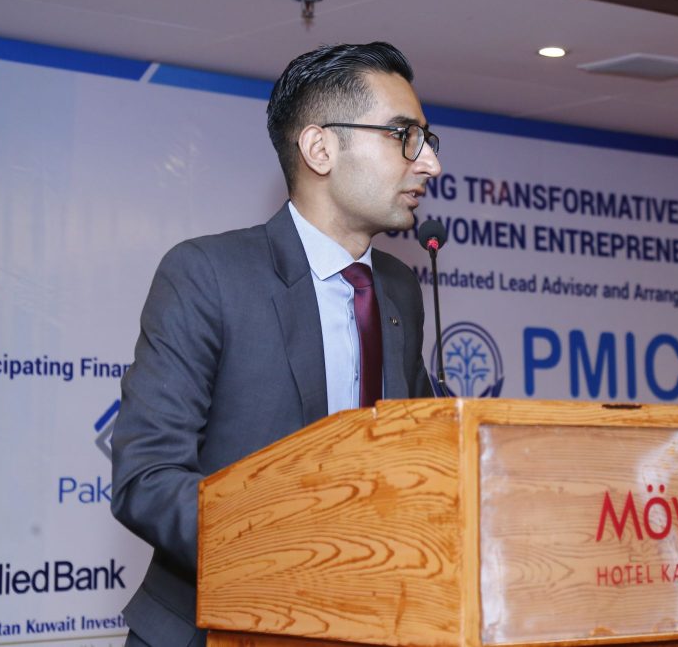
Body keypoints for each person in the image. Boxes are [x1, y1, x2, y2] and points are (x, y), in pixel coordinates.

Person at [110, 41, 442, 647]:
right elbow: (148, 478)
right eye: (404, 136)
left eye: (426, 140)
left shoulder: (399, 288)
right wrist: (301, 547)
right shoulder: (207, 274)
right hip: (211, 628)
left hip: (366, 624)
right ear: (320, 149)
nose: (429, 164)